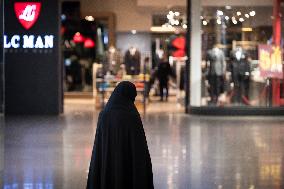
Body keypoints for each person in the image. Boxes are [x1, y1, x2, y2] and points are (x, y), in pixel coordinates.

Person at [86, 81, 154, 189]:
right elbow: (139, 149)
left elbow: (99, 145)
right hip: (128, 166)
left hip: (107, 163)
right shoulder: (132, 116)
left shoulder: (104, 115)